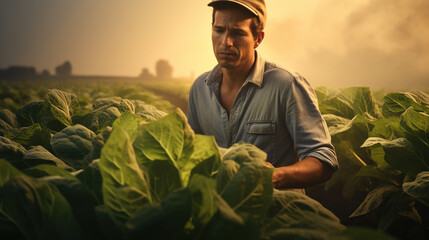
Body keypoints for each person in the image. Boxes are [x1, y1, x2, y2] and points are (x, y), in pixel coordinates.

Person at [187, 0, 338, 191]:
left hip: (278, 214)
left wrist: (275, 177)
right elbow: (191, 156)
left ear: (258, 38)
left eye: (238, 32)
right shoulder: (200, 89)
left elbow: (324, 160)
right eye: (219, 30)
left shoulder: (286, 85)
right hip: (220, 214)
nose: (226, 42)